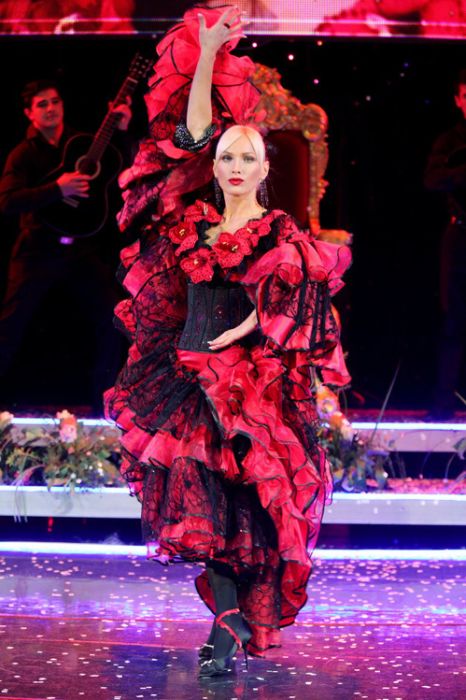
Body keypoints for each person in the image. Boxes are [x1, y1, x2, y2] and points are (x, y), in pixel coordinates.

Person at [105, 6, 351, 676]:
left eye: (247, 157)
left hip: (246, 386)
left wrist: (245, 328)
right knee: (202, 510)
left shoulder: (277, 232)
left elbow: (297, 298)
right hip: (185, 378)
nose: (235, 166)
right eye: (226, 157)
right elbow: (190, 131)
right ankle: (224, 628)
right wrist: (209, 52)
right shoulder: (193, 223)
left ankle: (228, 628)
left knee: (248, 514)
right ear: (214, 167)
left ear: (264, 167)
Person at [0, 79, 132, 412]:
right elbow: (8, 201)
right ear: (29, 113)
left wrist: (122, 131)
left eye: (55, 101)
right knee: (9, 326)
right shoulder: (23, 154)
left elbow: (123, 166)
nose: (50, 108)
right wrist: (56, 189)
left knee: (115, 315)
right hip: (37, 250)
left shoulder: (82, 143)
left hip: (78, 252)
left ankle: (105, 406)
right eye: (42, 104)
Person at [424, 69, 466, 418]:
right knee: (454, 320)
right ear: (458, 100)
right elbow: (433, 179)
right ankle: (442, 405)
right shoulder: (450, 141)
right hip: (461, 236)